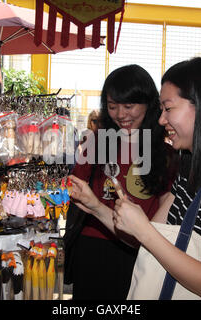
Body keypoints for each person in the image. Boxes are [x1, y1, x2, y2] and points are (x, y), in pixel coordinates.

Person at [70, 57, 201, 300]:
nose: (161, 119)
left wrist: (143, 229)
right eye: (162, 109)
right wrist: (95, 206)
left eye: (168, 108)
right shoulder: (190, 169)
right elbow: (146, 240)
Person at [67, 64, 178, 300]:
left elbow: (166, 206)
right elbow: (74, 185)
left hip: (140, 249)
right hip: (93, 243)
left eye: (129, 105)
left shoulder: (167, 153)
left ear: (149, 104)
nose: (121, 114)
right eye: (113, 106)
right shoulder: (96, 141)